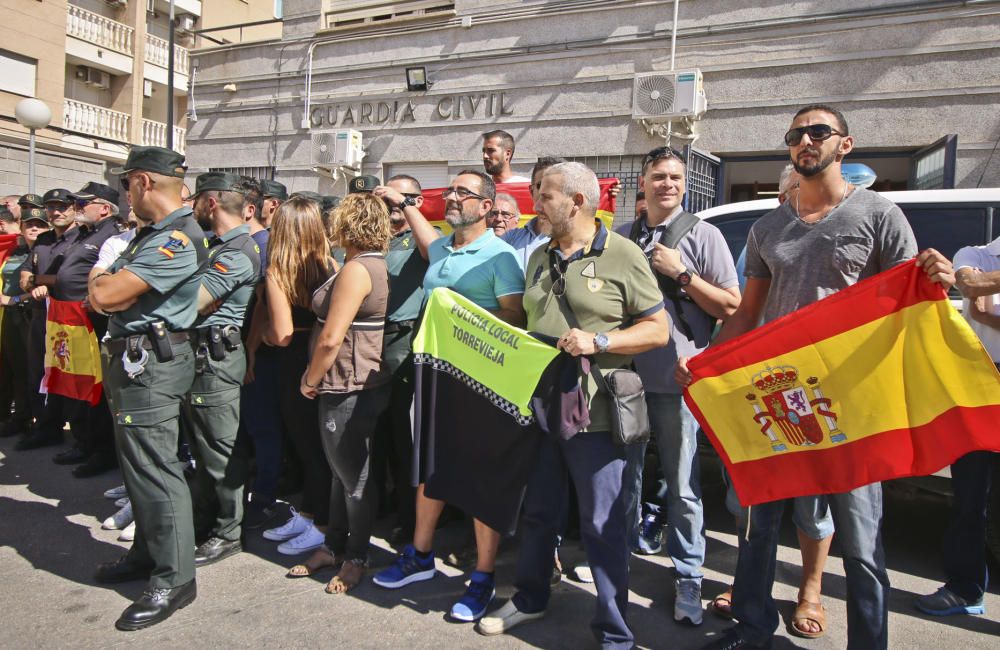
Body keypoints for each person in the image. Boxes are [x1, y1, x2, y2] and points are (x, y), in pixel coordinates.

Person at [678, 105, 955, 650]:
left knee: (861, 541)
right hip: (778, 398)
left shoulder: (878, 214)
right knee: (757, 528)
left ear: (844, 146)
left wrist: (938, 279)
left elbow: (910, 301)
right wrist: (706, 360)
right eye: (796, 135)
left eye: (818, 132)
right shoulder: (766, 227)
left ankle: (869, 642)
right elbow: (747, 314)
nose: (806, 140)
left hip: (851, 403)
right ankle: (752, 628)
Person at [476, 162, 668, 648]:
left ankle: (614, 633)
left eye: (545, 195)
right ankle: (531, 596)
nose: (534, 203)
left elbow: (658, 330)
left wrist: (599, 339)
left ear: (577, 202)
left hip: (599, 412)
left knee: (603, 525)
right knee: (539, 511)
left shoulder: (623, 254)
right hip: (542, 406)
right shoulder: (539, 257)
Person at [373, 170, 525, 624]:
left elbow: (515, 315)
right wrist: (399, 200)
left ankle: (482, 576)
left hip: (481, 382)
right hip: (435, 377)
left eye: (464, 193)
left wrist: (460, 315)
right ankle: (419, 556)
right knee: (429, 467)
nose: (453, 198)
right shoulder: (440, 247)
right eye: (451, 191)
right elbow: (422, 227)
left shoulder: (500, 256)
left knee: (479, 477)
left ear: (485, 206)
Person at [616, 146, 740, 626]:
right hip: (624, 377)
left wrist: (681, 274)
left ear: (685, 184)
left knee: (683, 484)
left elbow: (730, 306)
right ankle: (618, 560)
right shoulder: (622, 236)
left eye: (676, 177)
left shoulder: (704, 236)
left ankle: (688, 574)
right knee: (623, 477)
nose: (668, 184)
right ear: (643, 184)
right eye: (659, 176)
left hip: (677, 379)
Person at [712, 165, 836, 640]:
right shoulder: (762, 236)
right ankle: (748, 589)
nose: (790, 198)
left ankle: (810, 589)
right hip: (760, 386)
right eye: (785, 191)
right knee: (750, 500)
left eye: (796, 191)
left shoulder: (839, 226)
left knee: (812, 503)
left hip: (818, 386)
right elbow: (742, 312)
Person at [88, 146, 209, 631]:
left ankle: (175, 579)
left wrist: (100, 276)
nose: (126, 196)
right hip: (135, 361)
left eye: (126, 185)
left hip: (150, 366)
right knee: (139, 467)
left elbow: (105, 294)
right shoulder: (151, 235)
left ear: (142, 182)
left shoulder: (176, 238)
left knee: (157, 471)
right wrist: (105, 282)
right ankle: (148, 554)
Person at [288, 192, 392, 594]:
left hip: (346, 382)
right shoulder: (358, 264)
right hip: (352, 381)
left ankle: (356, 557)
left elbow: (331, 338)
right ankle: (334, 546)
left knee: (354, 478)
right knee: (341, 473)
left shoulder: (357, 269)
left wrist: (310, 379)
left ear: (348, 224)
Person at [913, 234, 1000, 617]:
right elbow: (969, 284)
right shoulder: (975, 253)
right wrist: (981, 298)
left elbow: (982, 308)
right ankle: (965, 588)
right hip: (980, 383)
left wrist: (985, 309)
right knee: (970, 497)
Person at [184, 172, 261, 566]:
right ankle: (205, 520)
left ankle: (229, 531)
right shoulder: (212, 246)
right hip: (198, 356)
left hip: (215, 358)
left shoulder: (236, 251)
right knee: (200, 447)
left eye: (197, 200)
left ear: (210, 203)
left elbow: (192, 301)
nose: (192, 207)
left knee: (219, 449)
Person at [257, 197, 337, 555]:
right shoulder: (331, 263)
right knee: (317, 446)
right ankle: (308, 512)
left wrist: (261, 337)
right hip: (322, 357)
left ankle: (319, 522)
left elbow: (283, 332)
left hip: (293, 362)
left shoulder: (277, 270)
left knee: (307, 448)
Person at [40, 182, 124, 477]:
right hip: (70, 322)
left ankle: (102, 451)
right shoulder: (83, 233)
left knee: (97, 389)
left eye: (83, 203)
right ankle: (84, 441)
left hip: (94, 322)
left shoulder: (112, 235)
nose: (77, 207)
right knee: (78, 385)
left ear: (104, 208)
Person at [370, 174, 434, 542]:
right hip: (369, 338)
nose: (393, 205)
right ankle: (379, 504)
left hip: (403, 339)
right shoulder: (377, 236)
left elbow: (433, 250)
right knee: (373, 432)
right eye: (387, 198)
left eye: (403, 198)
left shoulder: (422, 233)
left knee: (402, 435)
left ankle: (411, 523)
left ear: (418, 200)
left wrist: (404, 205)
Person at [16, 188, 83, 452]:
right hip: (40, 316)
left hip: (68, 321)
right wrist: (32, 283)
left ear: (73, 208)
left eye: (61, 206)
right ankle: (46, 427)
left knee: (68, 375)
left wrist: (41, 282)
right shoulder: (43, 241)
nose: (55, 212)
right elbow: (24, 276)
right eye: (51, 207)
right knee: (38, 373)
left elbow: (71, 279)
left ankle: (79, 435)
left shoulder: (80, 240)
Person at [0, 208, 50, 439]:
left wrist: (16, 298)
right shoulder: (18, 251)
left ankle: (33, 419)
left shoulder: (49, 251)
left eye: (39, 224)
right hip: (12, 316)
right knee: (14, 366)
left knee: (33, 370)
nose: (33, 228)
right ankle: (19, 416)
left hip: (34, 314)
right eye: (29, 224)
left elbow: (52, 283)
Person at [501, 156, 562, 270]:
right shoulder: (511, 238)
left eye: (554, 186)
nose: (546, 191)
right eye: (540, 185)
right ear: (531, 191)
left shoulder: (574, 239)